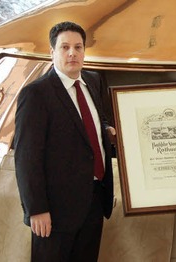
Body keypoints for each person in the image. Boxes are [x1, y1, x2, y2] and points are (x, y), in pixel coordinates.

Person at [13, 21, 115, 261]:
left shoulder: (93, 81)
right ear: (52, 52)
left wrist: (107, 129)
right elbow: (27, 157)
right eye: (65, 47)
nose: (72, 53)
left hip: (94, 201)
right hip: (55, 212)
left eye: (78, 47)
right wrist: (36, 209)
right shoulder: (36, 94)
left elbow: (93, 121)